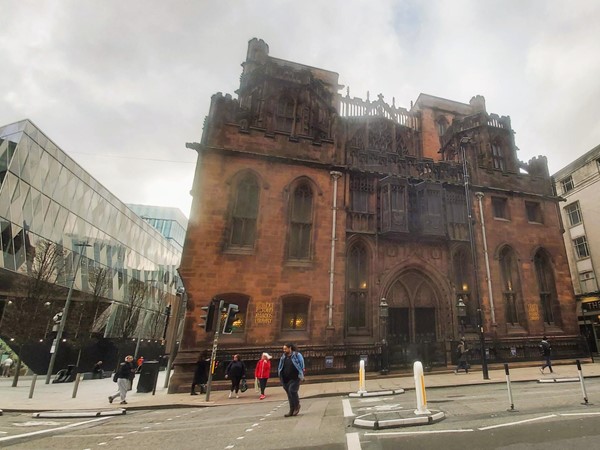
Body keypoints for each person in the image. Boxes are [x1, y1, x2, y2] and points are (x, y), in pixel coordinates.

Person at [277, 343, 305, 417]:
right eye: (283, 349)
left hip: (295, 377)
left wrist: (301, 374)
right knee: (289, 394)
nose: (284, 350)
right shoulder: (283, 357)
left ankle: (297, 406)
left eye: (285, 349)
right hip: (286, 378)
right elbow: (280, 366)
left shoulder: (297, 355)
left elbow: (302, 365)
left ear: (290, 348)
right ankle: (291, 410)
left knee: (292, 390)